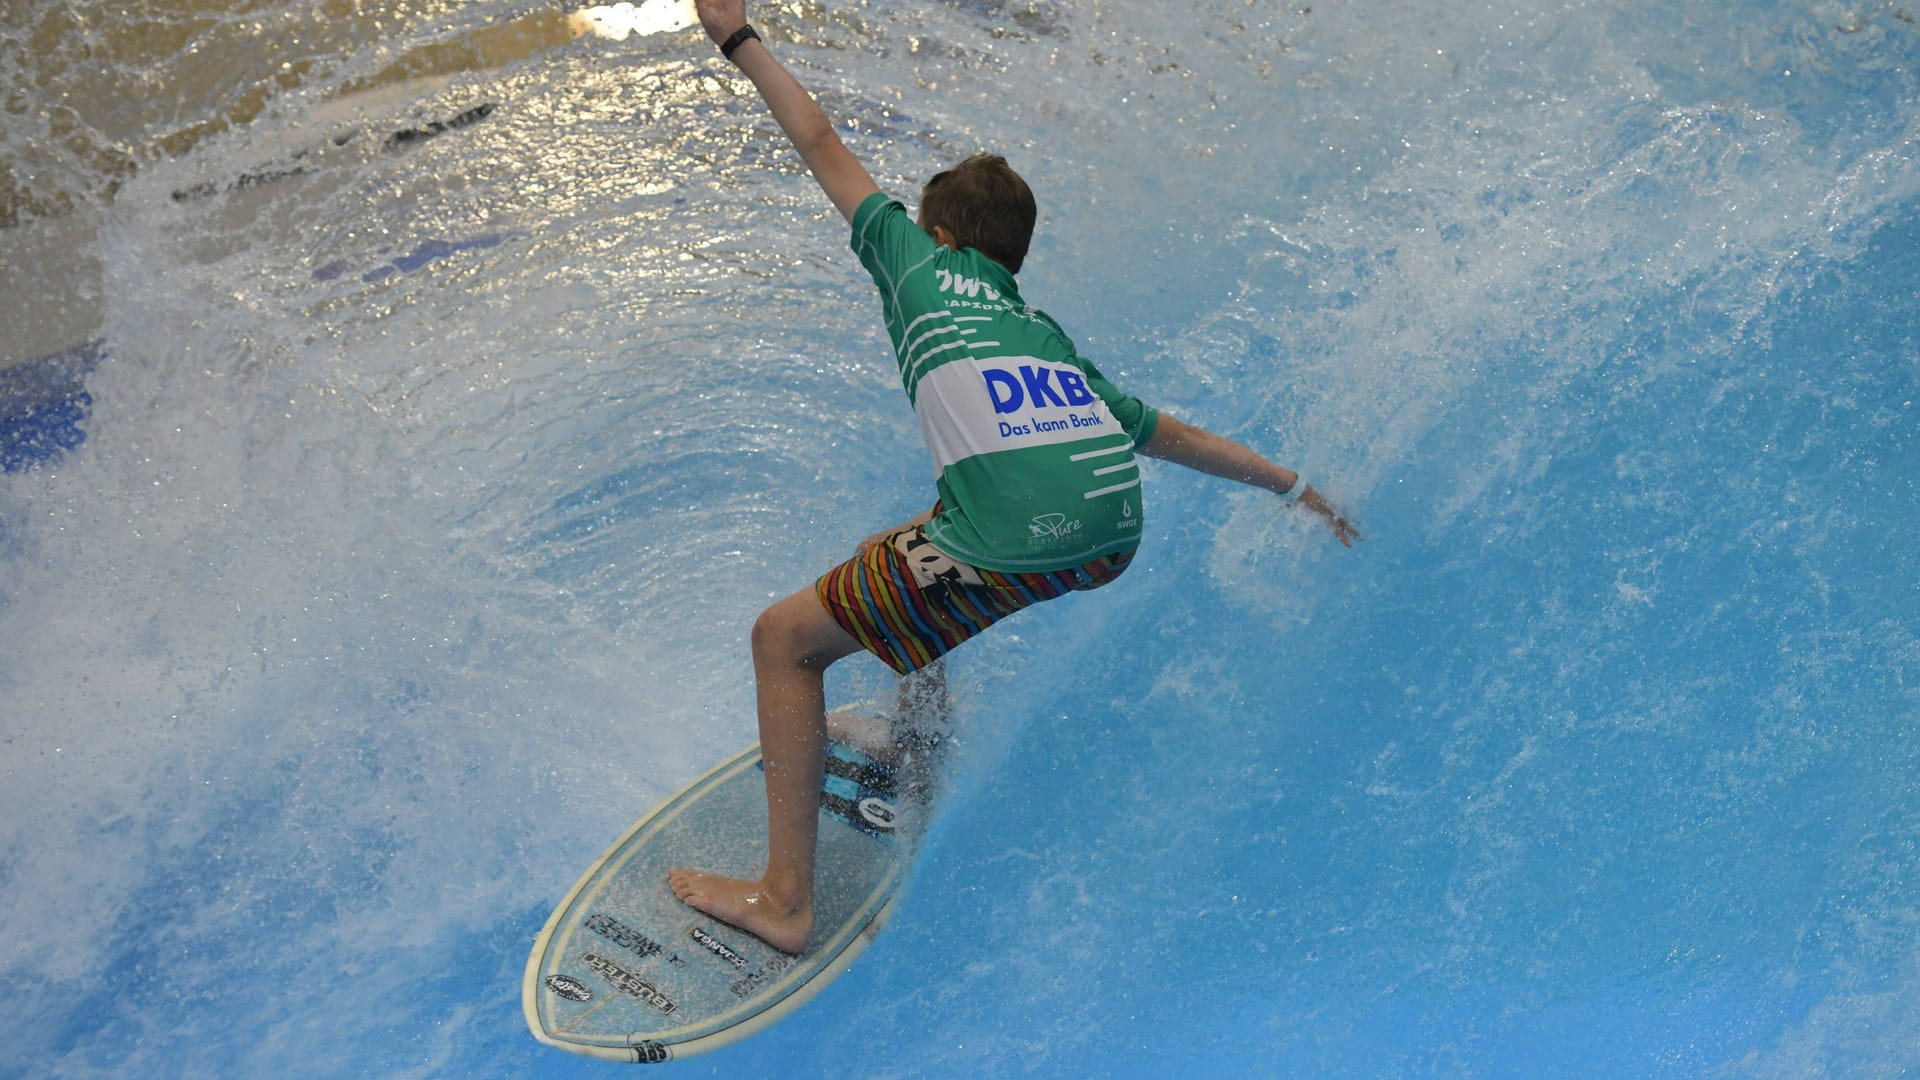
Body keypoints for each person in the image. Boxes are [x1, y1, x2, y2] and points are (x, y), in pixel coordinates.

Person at [668, 0, 1362, 955]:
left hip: (1017, 534)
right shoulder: (1041, 336)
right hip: (1111, 534)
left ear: (942, 237)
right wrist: (1295, 488)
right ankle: (919, 735)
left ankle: (785, 902)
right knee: (905, 549)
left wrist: (735, 36)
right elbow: (1173, 436)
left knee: (784, 639)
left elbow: (820, 137)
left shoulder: (914, 262)